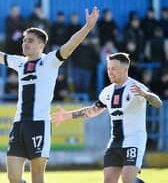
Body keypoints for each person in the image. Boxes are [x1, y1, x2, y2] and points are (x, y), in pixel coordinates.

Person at [0, 7, 99, 183]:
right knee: (13, 177)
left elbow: (70, 45)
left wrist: (87, 27)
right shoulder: (20, 62)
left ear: (41, 45)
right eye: (24, 40)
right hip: (19, 124)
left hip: (39, 125)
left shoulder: (50, 61)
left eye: (30, 41)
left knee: (37, 177)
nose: (25, 44)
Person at [51, 52, 162, 183]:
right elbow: (92, 111)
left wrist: (145, 94)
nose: (110, 72)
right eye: (108, 68)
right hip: (115, 142)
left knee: (127, 180)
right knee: (108, 181)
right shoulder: (107, 92)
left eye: (114, 69)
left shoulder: (136, 88)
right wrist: (67, 116)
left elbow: (158, 103)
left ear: (125, 69)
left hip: (134, 140)